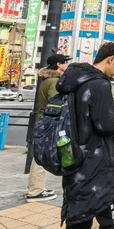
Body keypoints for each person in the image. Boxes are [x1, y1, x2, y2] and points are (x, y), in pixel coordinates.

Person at [55, 42, 114, 229]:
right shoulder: (99, 84)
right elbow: (107, 126)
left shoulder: (73, 81)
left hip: (74, 161)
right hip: (97, 168)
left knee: (79, 220)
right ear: (111, 59)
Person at [26, 54, 72, 202]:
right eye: (65, 62)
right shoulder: (54, 81)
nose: (67, 64)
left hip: (44, 121)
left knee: (42, 154)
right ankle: (35, 191)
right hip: (50, 123)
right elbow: (56, 103)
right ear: (59, 64)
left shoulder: (47, 79)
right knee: (44, 156)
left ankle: (36, 189)